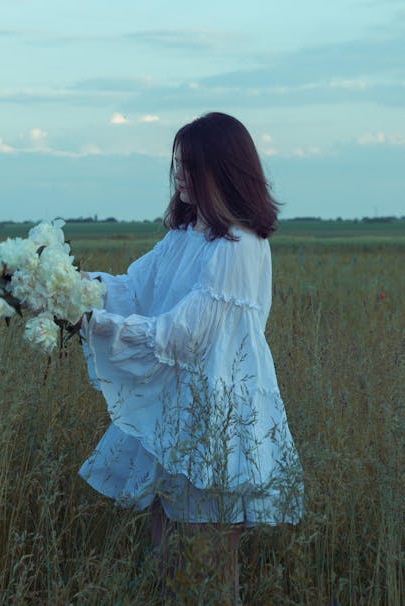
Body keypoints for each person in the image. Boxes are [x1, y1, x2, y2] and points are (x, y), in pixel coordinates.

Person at [79, 112, 303, 597]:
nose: (178, 174)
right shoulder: (185, 236)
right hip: (174, 413)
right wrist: (71, 290)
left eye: (188, 165)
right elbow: (133, 289)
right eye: (176, 163)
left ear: (220, 171)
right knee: (165, 568)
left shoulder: (238, 245)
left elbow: (182, 336)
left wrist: (93, 324)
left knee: (211, 576)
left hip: (217, 419)